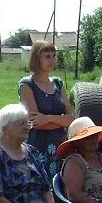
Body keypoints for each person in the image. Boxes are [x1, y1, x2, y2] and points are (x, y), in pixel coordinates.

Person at [18, 40, 74, 178]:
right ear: (37, 58)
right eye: (47, 56)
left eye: (54, 56)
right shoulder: (27, 84)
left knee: (60, 186)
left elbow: (71, 118)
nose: (52, 60)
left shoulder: (58, 83)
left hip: (61, 145)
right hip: (38, 146)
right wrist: (61, 120)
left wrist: (47, 118)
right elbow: (35, 122)